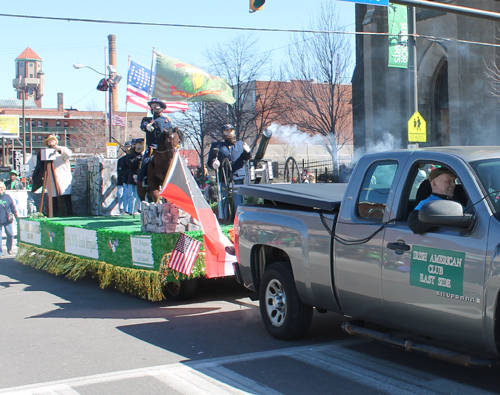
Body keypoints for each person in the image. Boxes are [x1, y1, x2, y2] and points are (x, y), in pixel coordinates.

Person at [207, 124, 251, 217]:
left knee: (238, 199)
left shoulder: (240, 144)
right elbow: (210, 161)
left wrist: (247, 151)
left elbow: (246, 157)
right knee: (223, 198)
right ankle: (224, 218)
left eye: (230, 130)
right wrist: (214, 162)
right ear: (223, 133)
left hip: (237, 176)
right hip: (223, 176)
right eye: (226, 131)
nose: (228, 133)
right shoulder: (217, 146)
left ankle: (239, 218)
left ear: (234, 131)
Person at [32, 134, 73, 216]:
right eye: (49, 141)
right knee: (53, 197)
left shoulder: (62, 149)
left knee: (66, 197)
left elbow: (67, 155)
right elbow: (40, 165)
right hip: (50, 177)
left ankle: (69, 213)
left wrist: (57, 149)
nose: (51, 142)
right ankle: (54, 213)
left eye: (52, 140)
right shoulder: (44, 152)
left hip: (63, 176)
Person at [408, 167, 458, 234]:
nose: (453, 185)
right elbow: (414, 223)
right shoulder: (426, 204)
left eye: (454, 181)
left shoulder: (458, 202)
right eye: (448, 181)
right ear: (434, 184)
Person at [138, 98, 173, 184]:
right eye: (152, 106)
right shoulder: (147, 120)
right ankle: (142, 179)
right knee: (145, 161)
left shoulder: (167, 120)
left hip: (165, 147)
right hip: (153, 146)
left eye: (156, 106)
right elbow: (143, 126)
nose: (153, 108)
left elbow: (170, 132)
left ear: (161, 108)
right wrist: (147, 127)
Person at [125, 138, 143, 215]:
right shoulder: (131, 155)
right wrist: (137, 159)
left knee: (140, 195)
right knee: (132, 195)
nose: (139, 147)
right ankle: (131, 210)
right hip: (133, 176)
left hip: (141, 177)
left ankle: (140, 209)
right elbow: (130, 163)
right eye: (137, 145)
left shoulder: (145, 155)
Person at [0, 181, 18, 255]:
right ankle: (0, 252)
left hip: (7, 219)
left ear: (3, 188)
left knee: (10, 235)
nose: (0, 189)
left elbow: (12, 206)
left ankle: (9, 248)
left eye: (1, 188)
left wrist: (16, 214)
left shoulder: (7, 197)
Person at [116, 141, 131, 214]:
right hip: (122, 179)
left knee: (129, 195)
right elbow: (120, 171)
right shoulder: (121, 160)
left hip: (130, 180)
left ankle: (128, 209)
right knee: (120, 194)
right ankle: (121, 208)